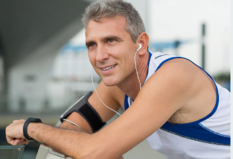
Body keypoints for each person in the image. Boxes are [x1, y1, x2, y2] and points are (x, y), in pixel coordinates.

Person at [5, 0, 230, 159]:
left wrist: (31, 128)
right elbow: (70, 130)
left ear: (141, 43)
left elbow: (92, 151)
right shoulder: (115, 88)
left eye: (111, 40)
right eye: (92, 45)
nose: (100, 56)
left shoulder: (174, 75)